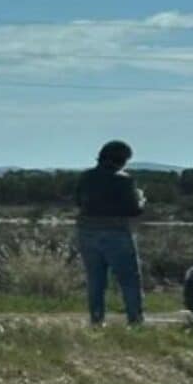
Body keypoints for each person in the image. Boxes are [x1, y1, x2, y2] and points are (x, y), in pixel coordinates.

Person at [74, 140, 146, 327]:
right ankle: (135, 321)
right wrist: (141, 199)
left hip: (87, 231)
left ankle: (96, 320)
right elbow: (133, 210)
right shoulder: (124, 180)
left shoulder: (86, 177)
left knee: (95, 279)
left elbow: (78, 202)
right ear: (122, 160)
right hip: (116, 233)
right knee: (129, 279)